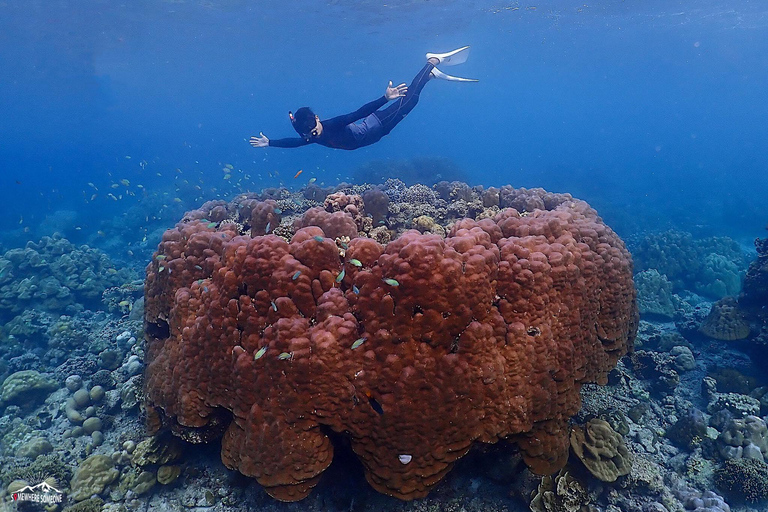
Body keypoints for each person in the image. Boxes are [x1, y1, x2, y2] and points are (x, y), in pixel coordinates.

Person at [249, 47, 477, 151]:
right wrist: (270, 143)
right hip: (376, 132)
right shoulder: (307, 134)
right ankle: (430, 76)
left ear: (318, 119)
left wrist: (384, 98)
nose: (314, 134)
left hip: (378, 124)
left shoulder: (330, 125)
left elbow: (358, 114)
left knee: (410, 100)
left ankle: (432, 62)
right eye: (310, 133)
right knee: (411, 102)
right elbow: (295, 142)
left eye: (314, 129)